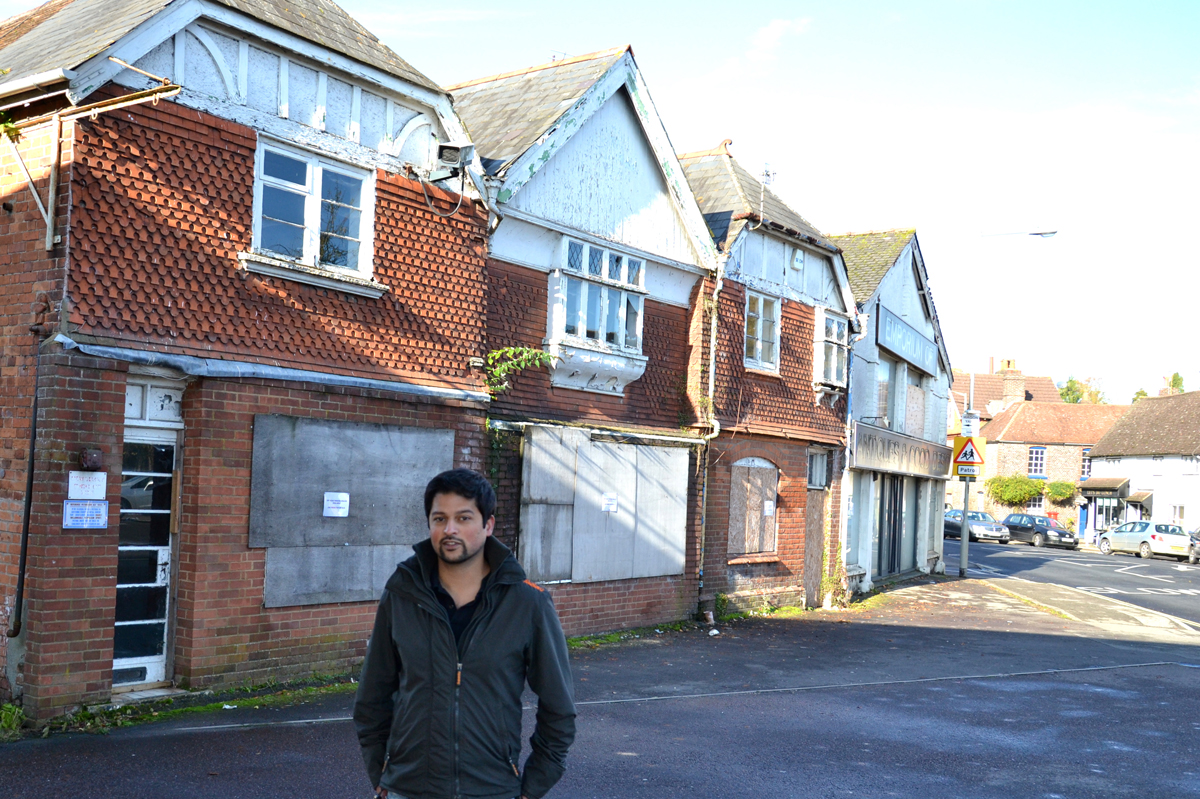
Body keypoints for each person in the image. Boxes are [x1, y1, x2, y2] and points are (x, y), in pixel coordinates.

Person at [354, 468, 576, 799]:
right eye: (439, 519)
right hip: (408, 788)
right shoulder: (401, 595)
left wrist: (533, 786)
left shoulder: (528, 603)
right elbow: (372, 697)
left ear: (488, 525)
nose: (450, 529)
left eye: (463, 518)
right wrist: (381, 772)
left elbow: (559, 708)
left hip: (493, 789)